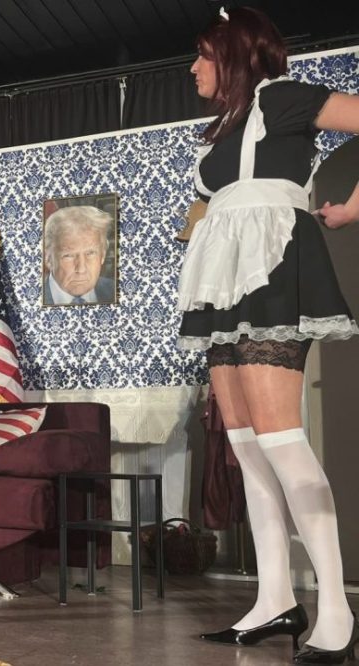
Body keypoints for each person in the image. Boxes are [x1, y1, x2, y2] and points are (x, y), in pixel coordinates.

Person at [176, 8, 359, 664]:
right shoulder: (221, 126)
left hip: (274, 264)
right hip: (221, 278)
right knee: (247, 445)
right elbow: (212, 205)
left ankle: (336, 610)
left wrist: (355, 205)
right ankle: (275, 598)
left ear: (233, 53)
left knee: (280, 439)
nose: (192, 68)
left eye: (202, 55)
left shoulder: (281, 98)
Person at [42, 205, 115, 305]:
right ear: (48, 259)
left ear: (103, 255)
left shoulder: (116, 291)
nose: (81, 269)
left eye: (90, 253)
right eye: (68, 256)